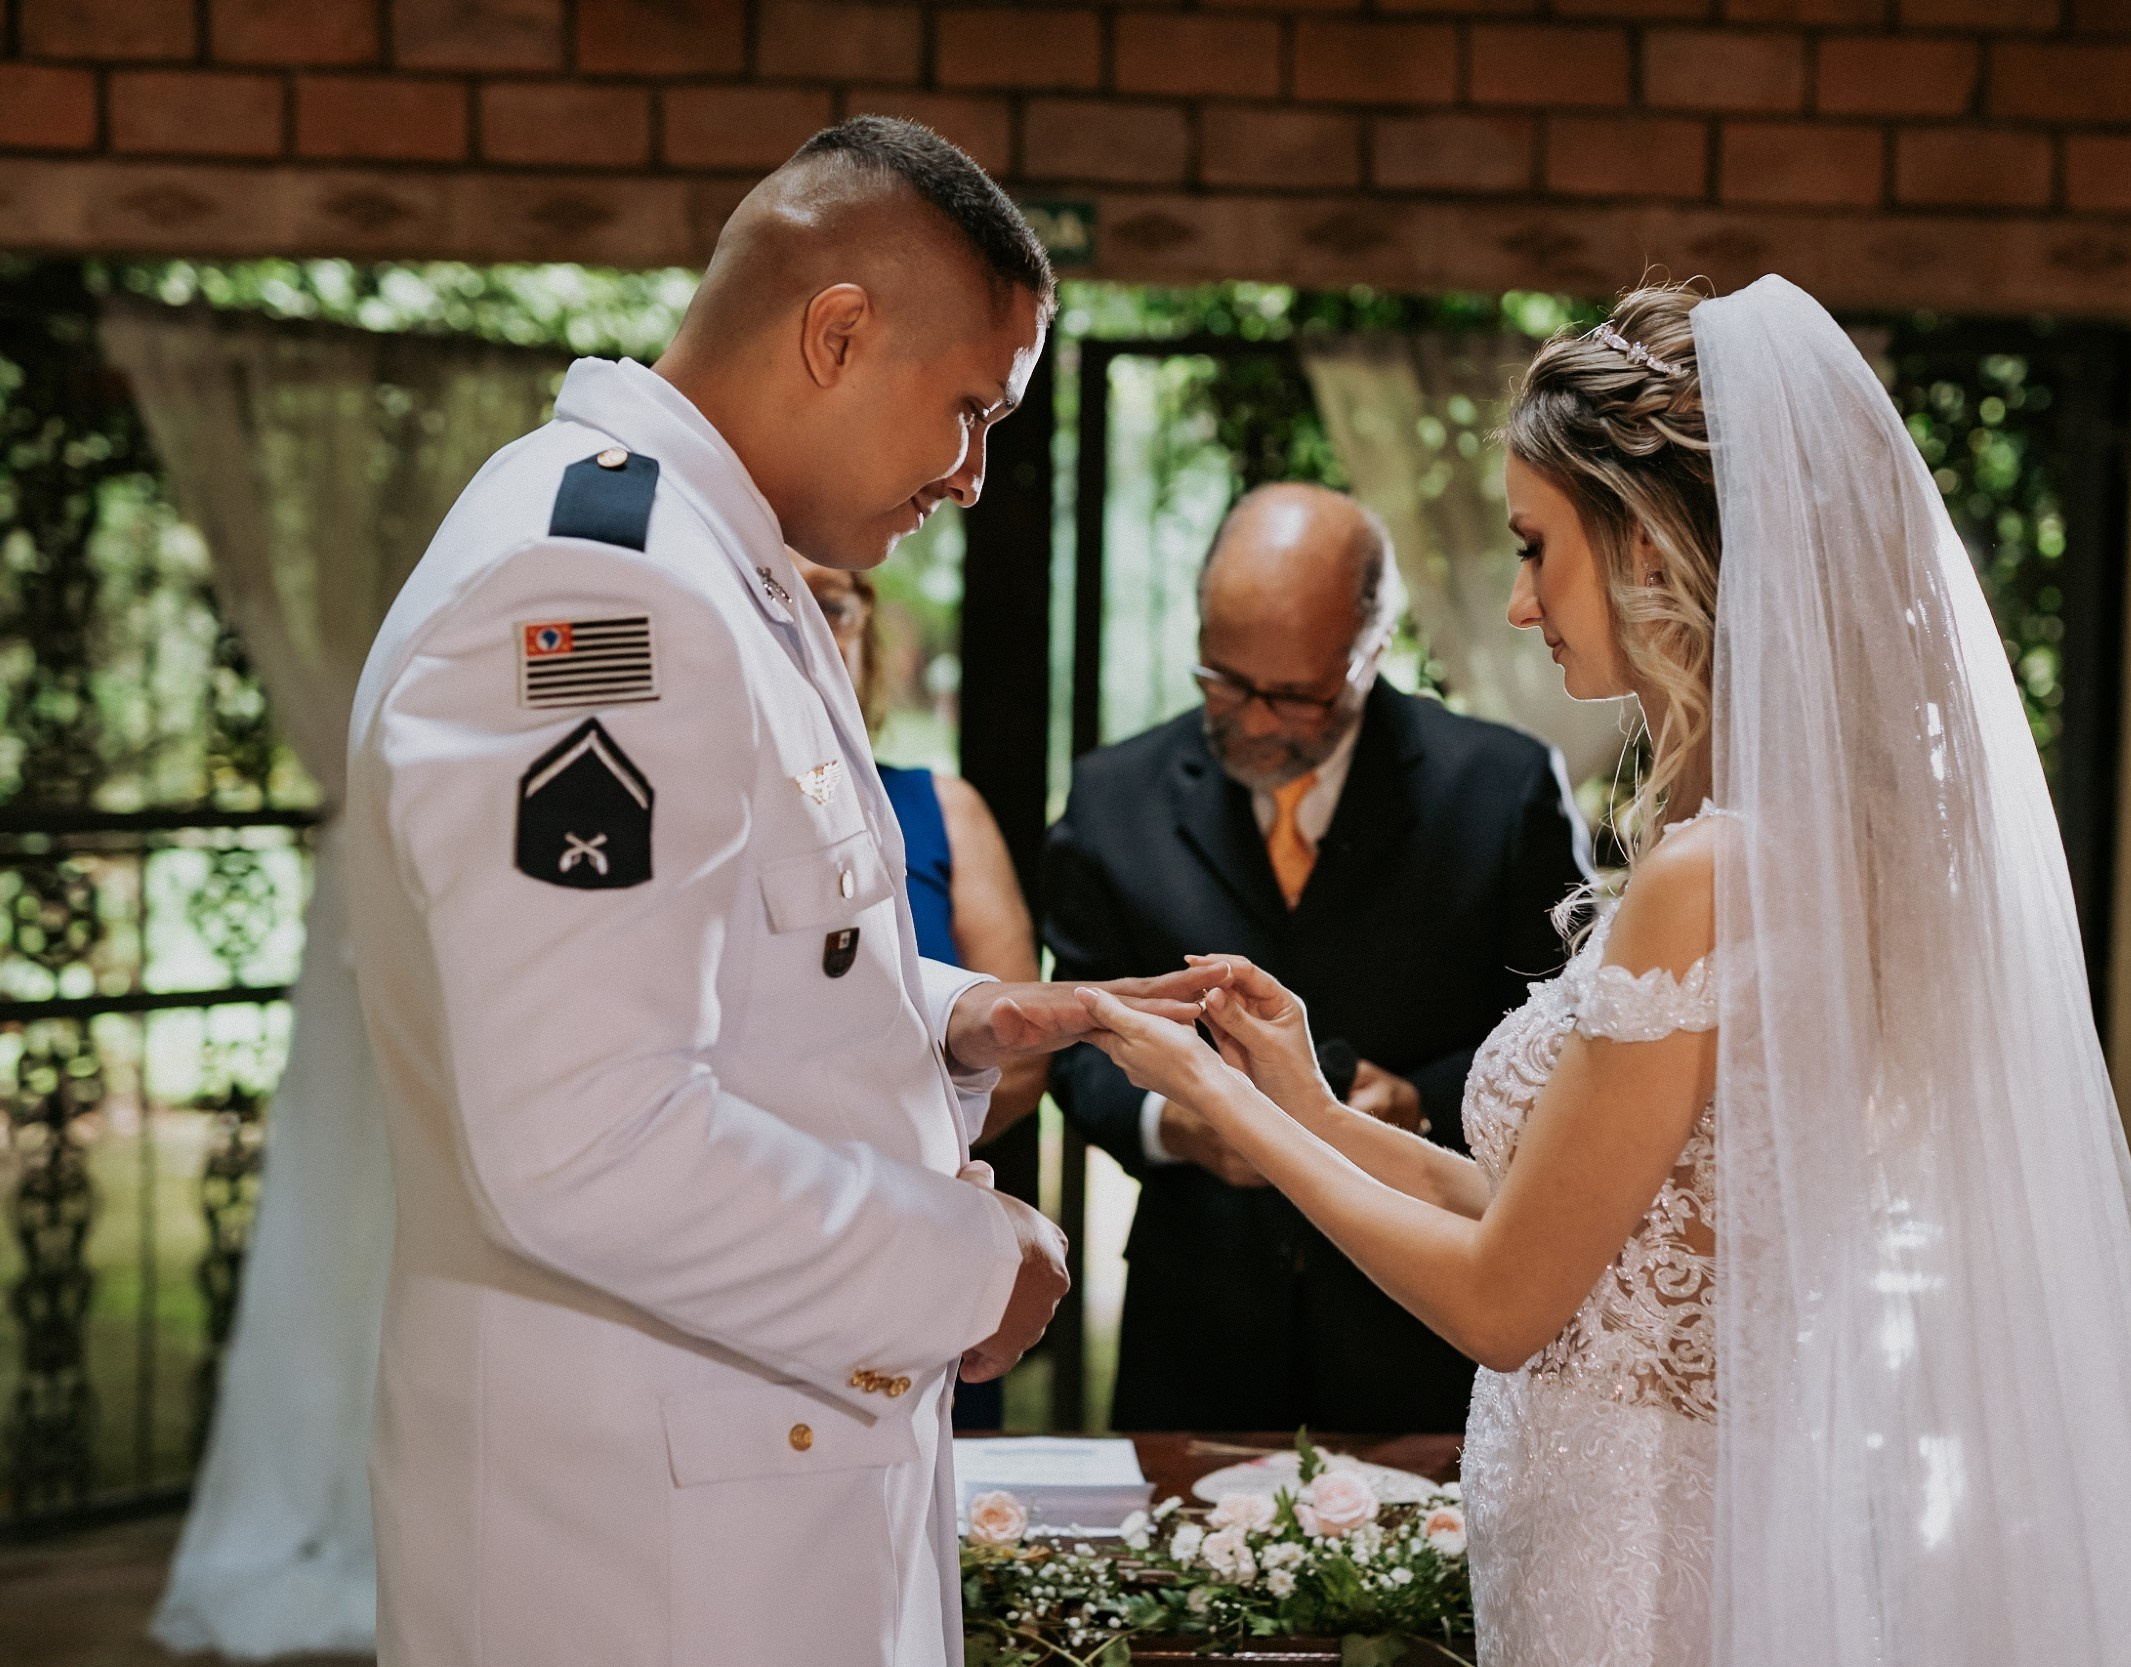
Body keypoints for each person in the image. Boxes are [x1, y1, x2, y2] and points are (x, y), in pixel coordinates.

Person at [1078, 278, 2131, 1667]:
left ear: (1648, 550)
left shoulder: (1709, 876)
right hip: (1653, 1493)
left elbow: (1506, 1302)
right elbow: (1568, 1231)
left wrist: (1245, 1122)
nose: (1517, 606)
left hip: (1647, 1542)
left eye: (1535, 548)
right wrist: (1313, 1104)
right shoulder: (1777, 844)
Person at [342, 117, 1218, 1667]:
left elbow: (745, 951)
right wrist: (965, 1267)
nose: (972, 473)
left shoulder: (710, 556)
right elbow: (583, 1139)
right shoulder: (598, 586)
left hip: (749, 1491)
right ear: (836, 330)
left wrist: (956, 1016)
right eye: (968, 408)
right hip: (645, 1558)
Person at [1042, 481, 1591, 1435]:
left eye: (1295, 694)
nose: (1253, 722)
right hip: (1200, 1325)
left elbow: (1566, 1032)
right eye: (1222, 680)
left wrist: (1416, 1102)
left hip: (1426, 1333)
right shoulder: (1109, 795)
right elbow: (1075, 1038)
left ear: (1372, 651)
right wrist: (1180, 1123)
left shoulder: (1501, 789)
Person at [807, 559, 1043, 1432]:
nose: (813, 634)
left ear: (872, 631)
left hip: (931, 1224)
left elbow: (1020, 1052)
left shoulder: (943, 809)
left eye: (833, 606)